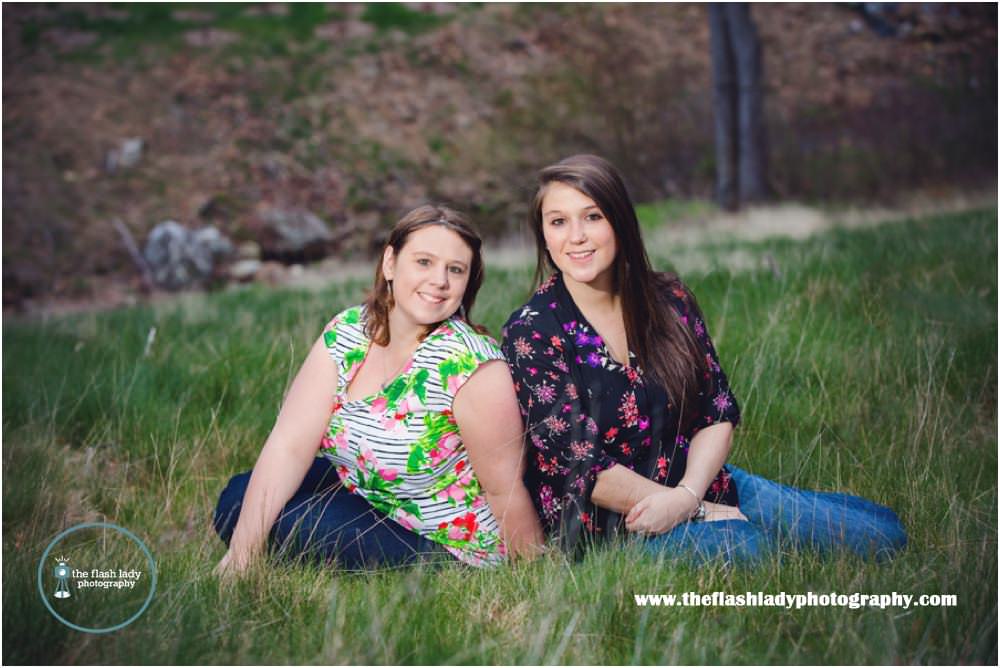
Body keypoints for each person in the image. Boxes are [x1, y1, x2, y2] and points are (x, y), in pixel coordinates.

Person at [501, 154, 907, 564]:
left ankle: (793, 512)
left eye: (592, 217)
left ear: (620, 222)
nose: (577, 237)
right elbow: (581, 466)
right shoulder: (531, 331)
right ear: (545, 237)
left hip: (697, 484)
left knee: (883, 537)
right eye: (558, 222)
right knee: (756, 554)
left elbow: (716, 411)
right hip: (613, 523)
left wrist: (691, 494)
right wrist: (692, 510)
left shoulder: (668, 299)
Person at [214, 205, 543, 574]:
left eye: (455, 269)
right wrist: (240, 556)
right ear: (390, 262)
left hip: (441, 539)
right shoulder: (349, 330)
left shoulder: (472, 366)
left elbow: (505, 490)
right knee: (238, 499)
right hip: (370, 495)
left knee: (292, 523)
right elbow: (289, 443)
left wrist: (532, 576)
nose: (440, 280)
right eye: (424, 262)